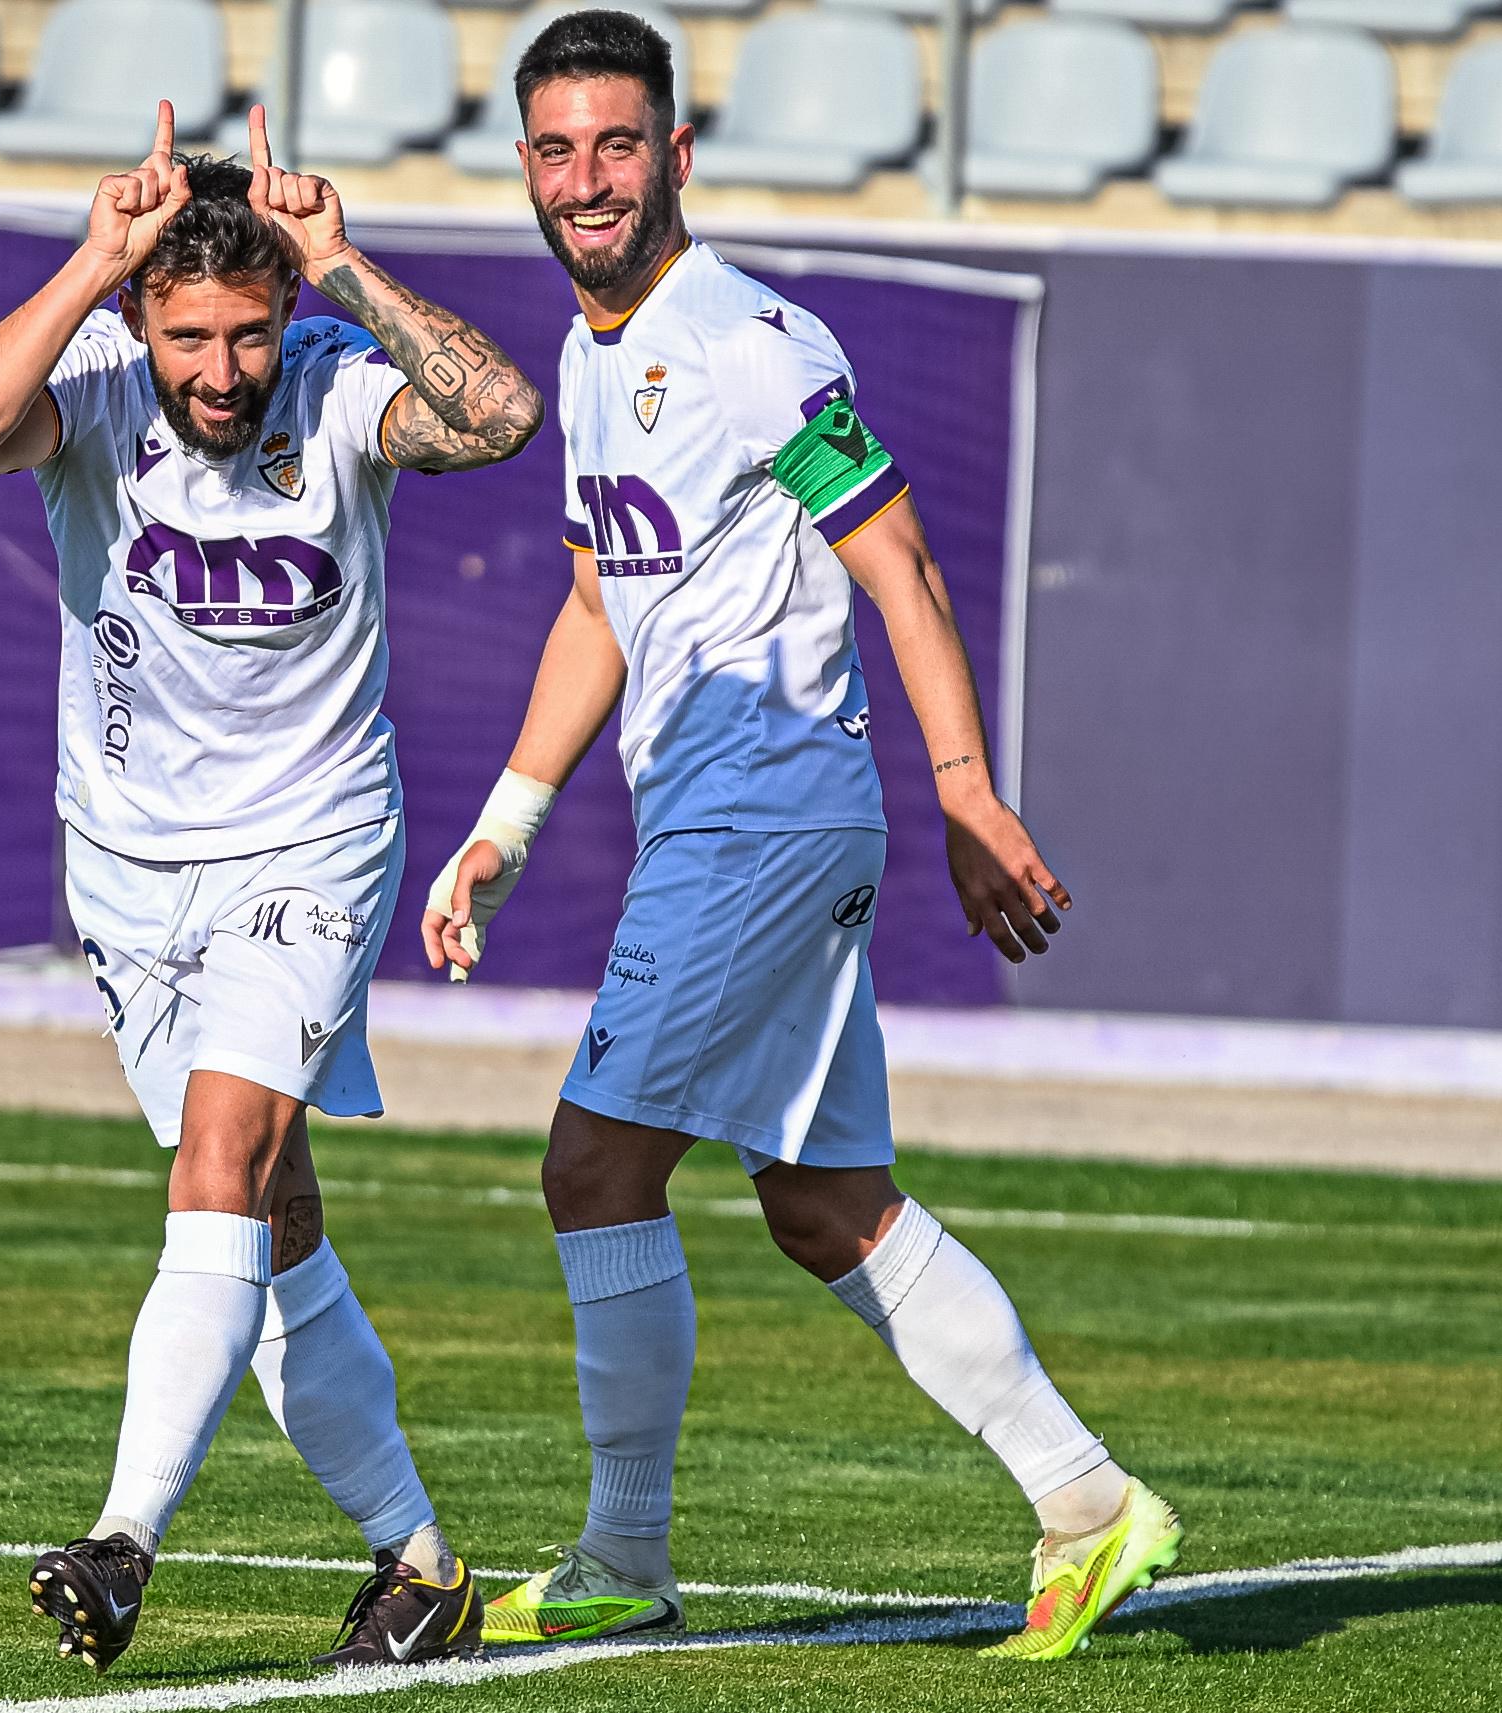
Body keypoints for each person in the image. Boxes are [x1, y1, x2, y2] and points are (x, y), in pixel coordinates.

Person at [420, 12, 1182, 1664]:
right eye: (554, 149)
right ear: (526, 170)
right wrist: (506, 823)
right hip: (725, 819)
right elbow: (595, 604)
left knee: (592, 1165)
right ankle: (1086, 1500)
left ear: (676, 156)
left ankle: (623, 1552)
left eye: (616, 144)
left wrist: (965, 787)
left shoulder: (751, 342)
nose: (585, 179)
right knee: (825, 1199)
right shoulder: (585, 354)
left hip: (760, 817)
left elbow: (897, 564)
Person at [0, 103, 543, 1673]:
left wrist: (344, 265)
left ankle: (122, 1541)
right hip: (128, 870)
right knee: (270, 1226)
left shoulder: (334, 385)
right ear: (145, 316)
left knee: (217, 1162)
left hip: (310, 845)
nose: (217, 370)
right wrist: (90, 264)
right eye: (187, 335)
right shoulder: (97, 379)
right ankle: (421, 1566)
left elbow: (501, 416)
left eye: (247, 333)